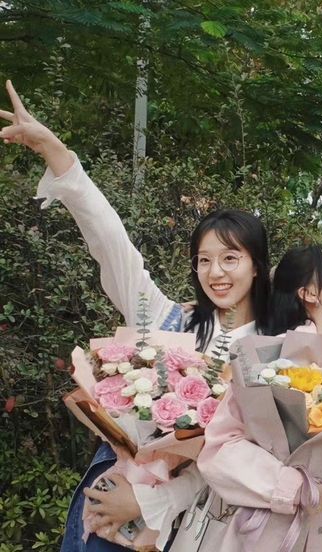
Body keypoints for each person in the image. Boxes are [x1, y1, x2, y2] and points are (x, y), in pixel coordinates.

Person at [0, 80, 270, 551]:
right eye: (204, 260)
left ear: (257, 265)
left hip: (181, 524)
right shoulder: (165, 320)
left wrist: (147, 502)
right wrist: (55, 151)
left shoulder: (270, 351)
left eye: (231, 258)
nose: (216, 272)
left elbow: (243, 462)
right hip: (106, 502)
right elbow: (111, 244)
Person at [198, 244, 322, 551]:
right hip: (265, 536)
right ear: (309, 293)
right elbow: (219, 448)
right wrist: (291, 486)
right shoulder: (271, 359)